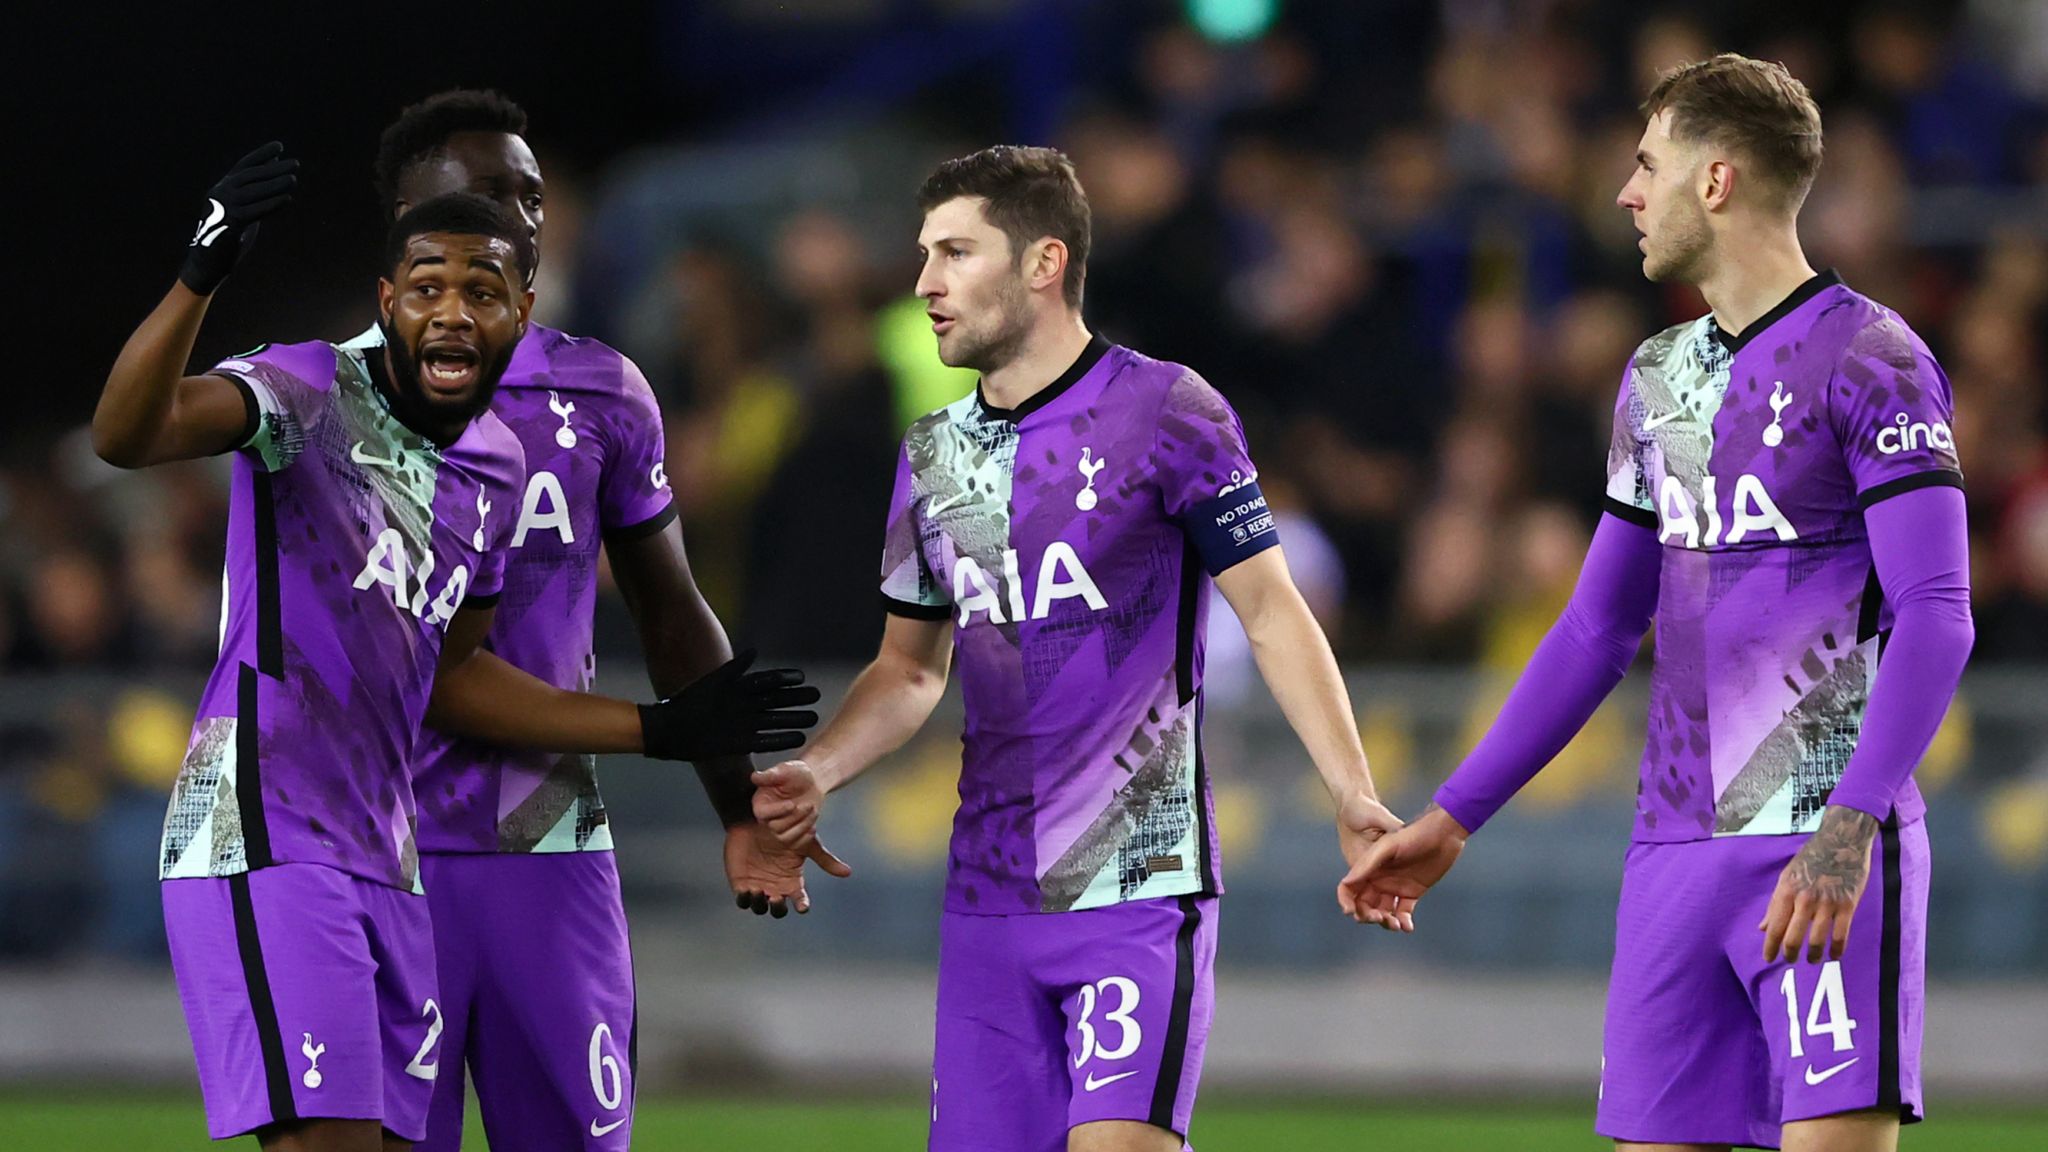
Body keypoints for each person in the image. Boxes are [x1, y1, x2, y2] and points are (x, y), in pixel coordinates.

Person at [96, 152, 815, 1151]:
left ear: (521, 315)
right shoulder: (305, 392)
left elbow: (457, 677)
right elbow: (130, 434)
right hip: (263, 829)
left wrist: (659, 729)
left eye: (482, 290)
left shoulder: (490, 469)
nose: (451, 310)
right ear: (386, 301)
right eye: (426, 286)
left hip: (384, 858)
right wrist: (199, 276)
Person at [1342, 55, 1974, 1152]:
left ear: (1716, 181)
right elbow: (1595, 626)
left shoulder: (1873, 359)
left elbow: (1935, 609)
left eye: (1646, 165)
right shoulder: (1654, 378)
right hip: (1672, 853)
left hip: (1813, 848)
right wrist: (1452, 815)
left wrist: (1848, 825)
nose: (1626, 194)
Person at [751, 145, 1407, 1152]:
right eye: (923, 254)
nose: (924, 282)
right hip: (984, 904)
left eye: (954, 252)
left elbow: (1272, 611)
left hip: (1134, 889)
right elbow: (908, 671)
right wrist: (818, 769)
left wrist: (1350, 791)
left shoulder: (1168, 411)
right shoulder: (932, 456)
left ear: (1041, 263)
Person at [369, 90, 847, 1152]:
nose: (522, 214)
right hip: (376, 848)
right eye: (487, 192)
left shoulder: (600, 393)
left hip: (551, 848)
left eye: (532, 195)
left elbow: (673, 615)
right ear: (406, 216)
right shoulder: (328, 399)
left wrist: (740, 804)